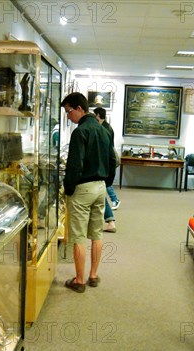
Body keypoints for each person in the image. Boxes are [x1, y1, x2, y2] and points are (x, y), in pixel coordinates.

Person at [62, 93, 116, 293]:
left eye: (68, 112)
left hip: (83, 189)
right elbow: (113, 160)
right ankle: (93, 275)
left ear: (79, 109)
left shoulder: (80, 132)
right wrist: (106, 182)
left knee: (78, 236)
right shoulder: (104, 131)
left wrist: (68, 189)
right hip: (100, 187)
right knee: (96, 233)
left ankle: (79, 280)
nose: (68, 117)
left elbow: (74, 165)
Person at [93, 107, 120, 234]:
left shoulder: (103, 129)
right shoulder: (107, 127)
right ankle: (109, 220)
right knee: (102, 192)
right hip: (106, 165)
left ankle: (110, 221)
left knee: (101, 193)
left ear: (97, 115)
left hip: (104, 165)